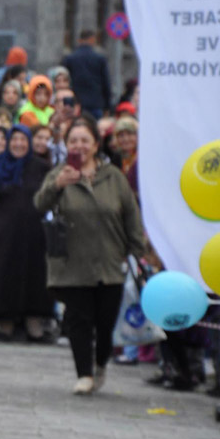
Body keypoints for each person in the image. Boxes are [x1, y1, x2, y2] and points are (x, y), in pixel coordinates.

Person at [34, 117, 144, 394]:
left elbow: (131, 216)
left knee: (105, 323)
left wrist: (136, 253)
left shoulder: (114, 177)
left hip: (110, 262)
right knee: (79, 319)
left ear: (96, 145)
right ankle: (84, 374)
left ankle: (100, 364)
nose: (79, 146)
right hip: (72, 262)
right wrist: (57, 185)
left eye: (85, 141)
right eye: (73, 141)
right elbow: (38, 205)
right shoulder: (59, 173)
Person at [0, 126, 53, 340]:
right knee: (3, 275)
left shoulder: (40, 167)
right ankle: (5, 322)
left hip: (33, 234)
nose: (19, 144)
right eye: (14, 140)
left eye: (23, 140)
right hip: (2, 235)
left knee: (34, 276)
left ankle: (33, 323)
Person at [61, 31, 110, 119]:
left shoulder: (70, 58)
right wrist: (107, 106)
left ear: (79, 40)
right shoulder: (99, 59)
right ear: (92, 40)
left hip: (76, 102)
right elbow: (106, 83)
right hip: (95, 103)